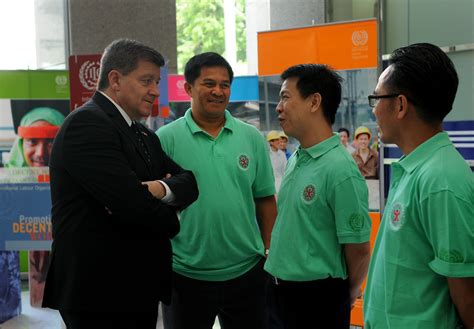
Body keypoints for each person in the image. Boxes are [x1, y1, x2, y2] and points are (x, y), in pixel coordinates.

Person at [42, 39, 199, 329]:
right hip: (99, 293)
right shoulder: (87, 125)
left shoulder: (143, 134)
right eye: (146, 81)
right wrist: (169, 212)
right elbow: (135, 207)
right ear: (115, 79)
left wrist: (155, 189)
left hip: (138, 287)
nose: (155, 90)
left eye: (157, 81)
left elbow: (190, 183)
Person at [157, 52, 277, 329]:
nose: (218, 91)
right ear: (188, 88)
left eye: (224, 85)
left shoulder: (251, 138)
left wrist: (269, 253)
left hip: (247, 272)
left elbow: (265, 200)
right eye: (208, 83)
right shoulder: (165, 139)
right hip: (185, 275)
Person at [364, 43, 474, 328]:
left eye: (376, 99)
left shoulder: (441, 180)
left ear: (400, 105)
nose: (373, 111)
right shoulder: (417, 168)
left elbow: (466, 294)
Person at [264, 64, 372, 329]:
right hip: (278, 293)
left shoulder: (340, 169)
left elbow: (358, 250)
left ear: (314, 102)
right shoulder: (297, 158)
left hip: (316, 300)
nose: (278, 107)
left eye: (286, 97)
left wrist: (342, 296)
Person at [5, 107, 65, 307]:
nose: (41, 153)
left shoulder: (78, 180)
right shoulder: (9, 185)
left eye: (50, 142)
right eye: (32, 141)